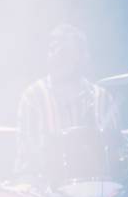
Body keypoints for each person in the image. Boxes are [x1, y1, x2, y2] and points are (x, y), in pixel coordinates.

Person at [14, 24, 121, 185]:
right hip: (41, 189)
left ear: (83, 57)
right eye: (51, 50)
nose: (55, 57)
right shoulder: (34, 96)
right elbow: (30, 155)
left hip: (95, 188)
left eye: (63, 52)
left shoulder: (102, 98)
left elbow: (116, 149)